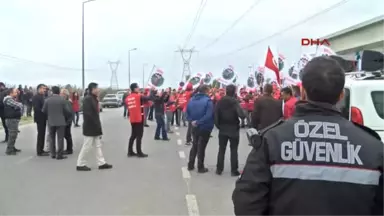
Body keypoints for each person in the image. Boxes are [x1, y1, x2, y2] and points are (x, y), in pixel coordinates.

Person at [232, 56, 384, 216]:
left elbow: (247, 203)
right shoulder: (373, 147)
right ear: (341, 96)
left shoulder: (272, 140)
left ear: (303, 91)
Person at [77, 82, 112, 171]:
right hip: (90, 127)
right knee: (87, 146)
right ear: (92, 89)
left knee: (97, 145)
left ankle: (101, 163)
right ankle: (80, 164)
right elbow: (89, 115)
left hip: (95, 126)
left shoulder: (93, 98)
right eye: (97, 88)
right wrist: (96, 125)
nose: (98, 90)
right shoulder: (88, 99)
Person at [214, 84, 245, 176]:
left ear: (226, 91)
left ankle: (219, 169)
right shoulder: (235, 102)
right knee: (234, 150)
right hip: (233, 128)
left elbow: (216, 115)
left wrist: (219, 126)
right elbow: (242, 115)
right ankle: (234, 170)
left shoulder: (220, 101)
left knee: (221, 149)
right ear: (234, 92)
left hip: (223, 128)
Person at [186, 84, 214, 173]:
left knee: (194, 145)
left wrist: (192, 121)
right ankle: (200, 167)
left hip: (194, 126)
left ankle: (190, 164)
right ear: (206, 91)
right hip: (205, 127)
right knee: (201, 147)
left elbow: (187, 113)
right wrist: (199, 122)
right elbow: (209, 115)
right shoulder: (208, 101)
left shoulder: (191, 100)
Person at [43, 86, 72, 160]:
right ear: (59, 92)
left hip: (51, 121)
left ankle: (53, 153)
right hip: (61, 121)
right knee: (60, 138)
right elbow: (67, 111)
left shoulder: (47, 100)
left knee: (51, 138)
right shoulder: (62, 100)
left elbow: (44, 110)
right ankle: (59, 155)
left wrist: (50, 114)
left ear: (52, 91)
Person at [126, 83, 153, 157]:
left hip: (132, 119)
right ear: (135, 89)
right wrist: (151, 90)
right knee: (139, 136)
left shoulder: (128, 98)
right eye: (138, 87)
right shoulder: (139, 96)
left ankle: (130, 151)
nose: (139, 88)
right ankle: (139, 152)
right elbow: (149, 98)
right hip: (139, 118)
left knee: (133, 135)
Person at [3, 88, 23, 155]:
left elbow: (18, 105)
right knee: (12, 135)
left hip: (13, 119)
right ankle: (9, 150)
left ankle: (12, 147)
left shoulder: (12, 99)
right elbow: (18, 105)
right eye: (15, 92)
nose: (16, 93)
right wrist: (19, 105)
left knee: (14, 135)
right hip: (11, 119)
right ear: (11, 93)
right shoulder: (8, 99)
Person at [32, 84, 49, 156]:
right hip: (40, 118)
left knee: (42, 134)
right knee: (41, 134)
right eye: (43, 88)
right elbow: (36, 108)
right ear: (39, 89)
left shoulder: (42, 96)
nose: (44, 90)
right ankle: (39, 151)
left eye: (45, 89)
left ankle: (41, 149)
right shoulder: (36, 97)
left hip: (43, 118)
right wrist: (44, 111)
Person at [61, 89, 73, 154]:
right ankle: (69, 148)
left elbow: (69, 112)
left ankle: (69, 149)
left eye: (62, 93)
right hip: (66, 120)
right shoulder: (66, 101)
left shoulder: (68, 102)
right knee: (67, 135)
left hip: (67, 120)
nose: (61, 95)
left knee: (67, 135)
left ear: (65, 95)